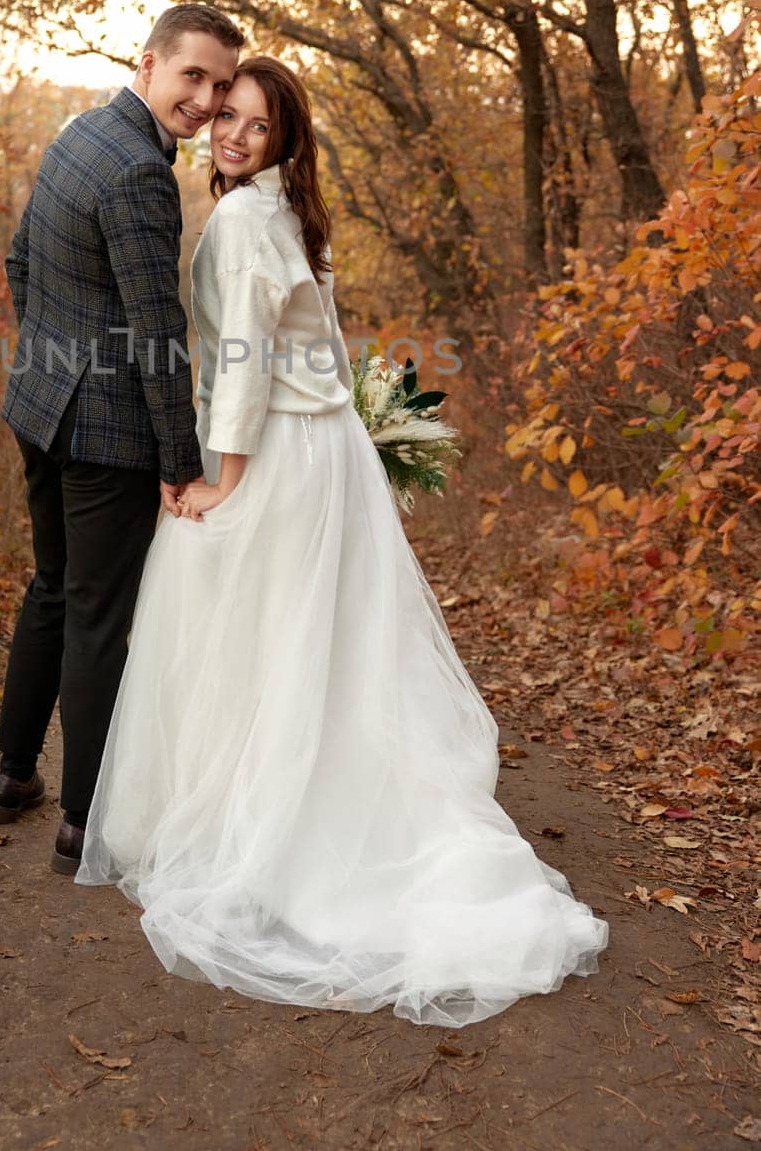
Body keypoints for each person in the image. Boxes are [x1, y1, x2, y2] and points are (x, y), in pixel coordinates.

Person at [76, 55, 609, 1027]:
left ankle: (268, 827)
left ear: (283, 142)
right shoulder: (289, 213)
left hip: (279, 457)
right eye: (224, 116)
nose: (232, 135)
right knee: (329, 648)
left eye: (254, 126)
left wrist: (218, 482)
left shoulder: (241, 218)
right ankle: (325, 798)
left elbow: (239, 363)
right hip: (333, 459)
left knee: (243, 624)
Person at [0, 3, 244, 874]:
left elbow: (20, 262)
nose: (206, 99)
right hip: (103, 436)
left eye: (218, 83)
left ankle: (11, 778)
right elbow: (154, 331)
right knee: (97, 618)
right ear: (150, 64)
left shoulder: (78, 133)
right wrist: (181, 460)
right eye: (193, 77)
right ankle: (81, 823)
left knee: (52, 591)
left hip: (38, 409)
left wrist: (52, 362)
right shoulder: (138, 172)